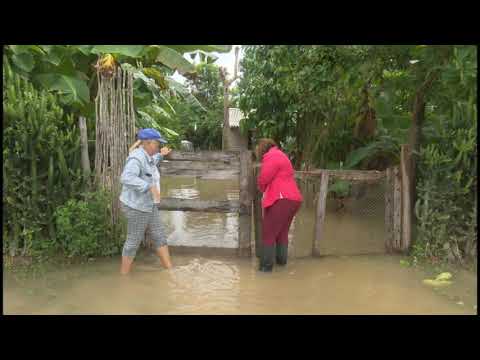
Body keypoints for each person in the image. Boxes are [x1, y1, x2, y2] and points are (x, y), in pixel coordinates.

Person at [119, 128, 172, 275]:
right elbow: (126, 178)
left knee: (159, 235)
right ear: (148, 143)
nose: (159, 146)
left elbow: (150, 163)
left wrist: (160, 155)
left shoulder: (147, 155)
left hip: (149, 204)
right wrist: (149, 187)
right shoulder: (136, 157)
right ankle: (123, 277)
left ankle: (169, 270)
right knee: (133, 241)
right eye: (157, 144)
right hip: (137, 206)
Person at [256, 138, 303, 272]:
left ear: (262, 149)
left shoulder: (271, 156)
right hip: (294, 199)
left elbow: (265, 177)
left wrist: (261, 187)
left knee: (268, 234)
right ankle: (282, 265)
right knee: (282, 233)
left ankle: (265, 271)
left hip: (282, 199)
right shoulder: (281, 155)